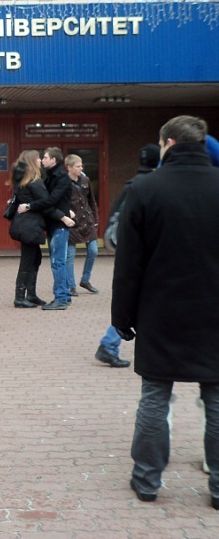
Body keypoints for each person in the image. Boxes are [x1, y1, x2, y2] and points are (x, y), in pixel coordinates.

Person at [111, 115, 219, 508]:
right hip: (214, 311)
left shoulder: (145, 188)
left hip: (160, 310)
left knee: (155, 396)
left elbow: (128, 264)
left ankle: (147, 479)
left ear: (168, 143)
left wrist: (122, 317)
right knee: (217, 398)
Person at [94, 143, 159, 368]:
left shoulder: (132, 184)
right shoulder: (150, 187)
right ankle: (109, 344)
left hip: (131, 254)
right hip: (144, 255)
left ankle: (110, 343)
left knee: (136, 300)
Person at [7, 150, 75, 308]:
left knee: (35, 258)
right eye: (38, 158)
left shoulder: (22, 179)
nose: (40, 161)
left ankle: (31, 294)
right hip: (30, 226)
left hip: (25, 224)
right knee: (28, 260)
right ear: (32, 161)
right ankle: (20, 297)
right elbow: (46, 204)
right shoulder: (34, 181)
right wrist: (62, 216)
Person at [65, 155, 99, 296]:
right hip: (72, 223)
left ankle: (85, 280)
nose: (81, 168)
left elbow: (92, 201)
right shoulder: (63, 183)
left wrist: (95, 218)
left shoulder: (85, 180)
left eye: (81, 166)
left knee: (93, 251)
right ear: (69, 168)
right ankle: (71, 286)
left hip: (87, 221)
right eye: (78, 166)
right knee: (70, 256)